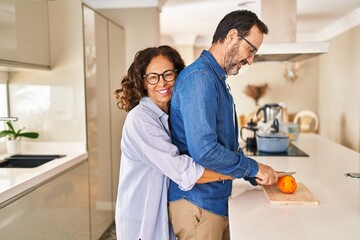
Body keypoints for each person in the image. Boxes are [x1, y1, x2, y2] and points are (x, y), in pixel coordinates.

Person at [168, 10, 279, 240]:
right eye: (251, 50)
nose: (250, 60)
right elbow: (205, 151)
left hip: (213, 201)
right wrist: (252, 167)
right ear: (231, 36)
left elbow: (224, 145)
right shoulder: (200, 78)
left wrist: (252, 174)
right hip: (198, 204)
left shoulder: (216, 79)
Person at [114, 45, 233, 240]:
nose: (162, 83)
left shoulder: (170, 114)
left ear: (178, 75)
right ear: (143, 82)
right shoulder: (140, 119)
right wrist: (232, 171)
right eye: (153, 77)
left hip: (165, 209)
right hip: (142, 213)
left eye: (168, 74)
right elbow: (182, 170)